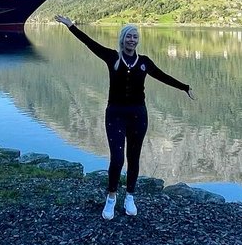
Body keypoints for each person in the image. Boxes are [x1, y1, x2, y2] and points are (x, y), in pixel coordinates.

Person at [55, 15, 194, 220]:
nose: (132, 40)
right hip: (115, 114)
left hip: (138, 114)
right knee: (118, 158)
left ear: (138, 40)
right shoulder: (112, 57)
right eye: (129, 36)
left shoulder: (144, 62)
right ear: (122, 39)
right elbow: (89, 43)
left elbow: (163, 76)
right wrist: (71, 26)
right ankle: (111, 198)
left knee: (134, 158)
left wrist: (184, 87)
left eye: (135, 37)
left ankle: (130, 196)